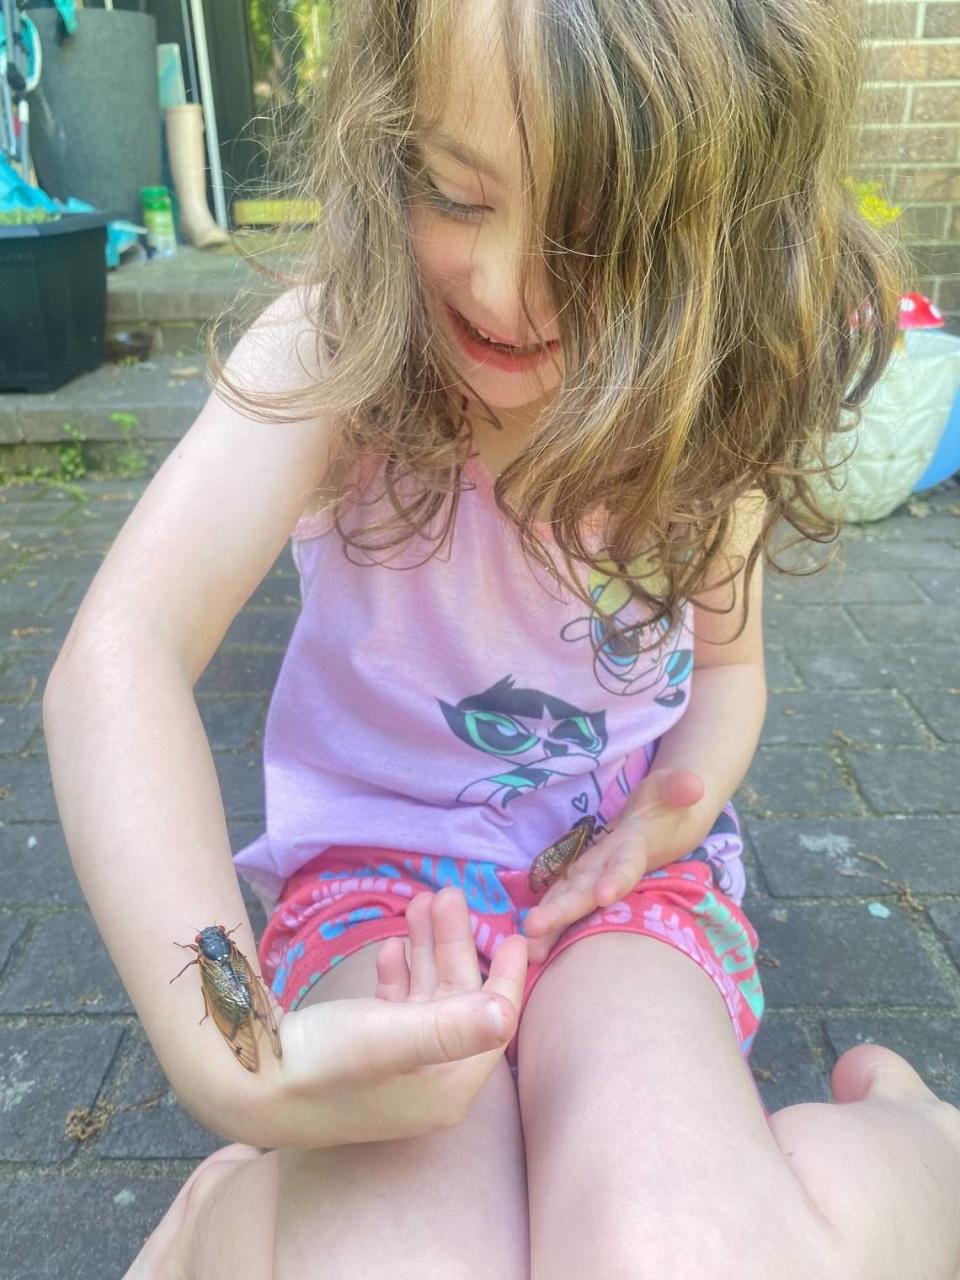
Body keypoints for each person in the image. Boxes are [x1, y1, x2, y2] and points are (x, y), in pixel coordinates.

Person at [41, 0, 960, 1277]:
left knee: (674, 1250)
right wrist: (233, 1071)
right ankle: (228, 1207)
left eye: (592, 247)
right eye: (454, 193)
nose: (502, 284)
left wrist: (669, 816)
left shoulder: (709, 396)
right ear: (391, 141)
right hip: (378, 885)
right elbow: (117, 655)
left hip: (620, 881)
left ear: (725, 232)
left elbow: (731, 678)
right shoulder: (341, 351)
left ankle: (921, 1143)